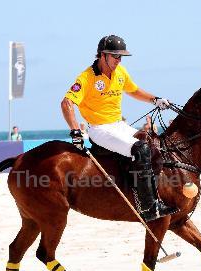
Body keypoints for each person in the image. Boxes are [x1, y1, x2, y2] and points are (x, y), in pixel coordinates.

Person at [61, 34, 178, 222]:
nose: (119, 60)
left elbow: (134, 91)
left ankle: (150, 193)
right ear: (102, 55)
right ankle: (148, 206)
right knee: (140, 149)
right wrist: (75, 131)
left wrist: (155, 99)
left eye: (121, 57)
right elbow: (66, 103)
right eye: (115, 56)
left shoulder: (120, 72)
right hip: (100, 129)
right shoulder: (86, 78)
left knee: (154, 145)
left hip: (119, 125)